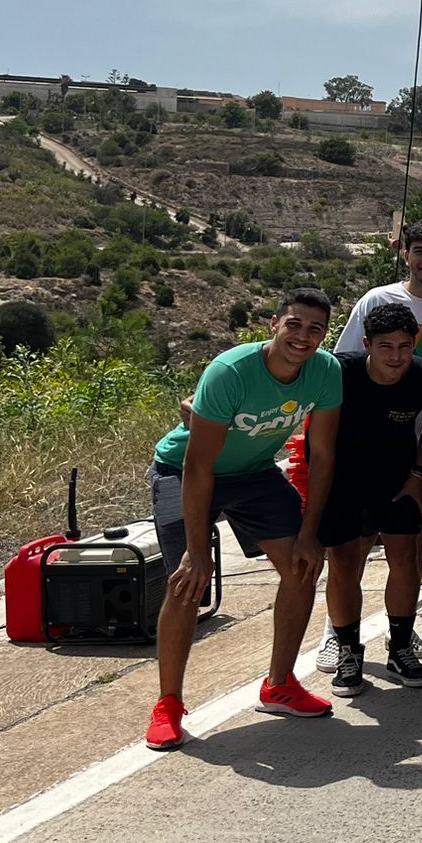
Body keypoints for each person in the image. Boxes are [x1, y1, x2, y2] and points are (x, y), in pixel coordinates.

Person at [144, 288, 344, 751]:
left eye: (315, 329)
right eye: (294, 324)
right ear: (273, 324)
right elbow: (198, 467)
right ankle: (168, 704)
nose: (303, 336)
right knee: (186, 583)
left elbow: (323, 454)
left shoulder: (325, 371)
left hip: (253, 472)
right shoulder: (231, 371)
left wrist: (309, 534)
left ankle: (279, 685)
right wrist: (198, 553)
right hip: (186, 470)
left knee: (301, 566)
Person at [319, 215, 422, 669]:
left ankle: (400, 633)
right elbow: (340, 368)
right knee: (352, 547)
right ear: (405, 252)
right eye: (420, 250)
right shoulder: (377, 300)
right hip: (364, 446)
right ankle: (338, 635)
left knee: (412, 544)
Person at [319, 301, 422, 697]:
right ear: (367, 344)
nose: (396, 357)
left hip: (398, 478)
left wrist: (418, 473)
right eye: (385, 347)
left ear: (415, 344)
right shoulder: (338, 371)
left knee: (406, 559)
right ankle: (348, 651)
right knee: (343, 563)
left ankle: (399, 647)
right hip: (342, 479)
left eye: (404, 347)